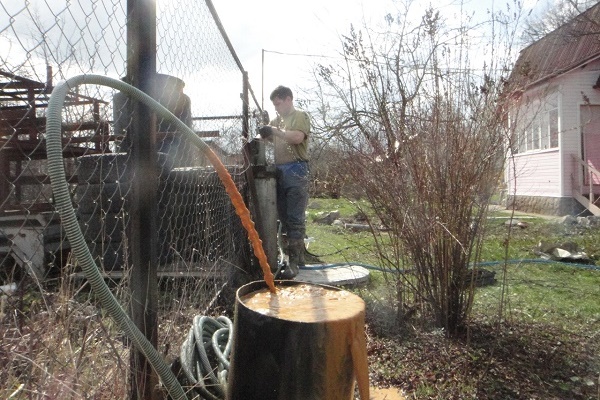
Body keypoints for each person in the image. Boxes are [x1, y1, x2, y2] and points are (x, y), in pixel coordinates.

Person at [258, 85, 310, 279]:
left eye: (278, 104)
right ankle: (288, 259)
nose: (276, 108)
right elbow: (271, 138)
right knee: (283, 218)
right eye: (274, 105)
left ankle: (295, 263)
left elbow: (296, 137)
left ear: (288, 99)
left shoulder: (300, 116)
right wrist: (264, 131)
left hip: (297, 168)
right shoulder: (276, 120)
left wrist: (275, 131)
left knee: (295, 217)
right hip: (280, 170)